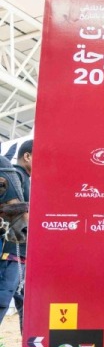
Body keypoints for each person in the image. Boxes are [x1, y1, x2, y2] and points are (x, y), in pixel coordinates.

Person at [0, 141, 30, 332]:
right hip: (11, 252)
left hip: (19, 250)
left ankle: (29, 344)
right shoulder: (18, 174)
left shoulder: (20, 176)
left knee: (23, 301)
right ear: (27, 156)